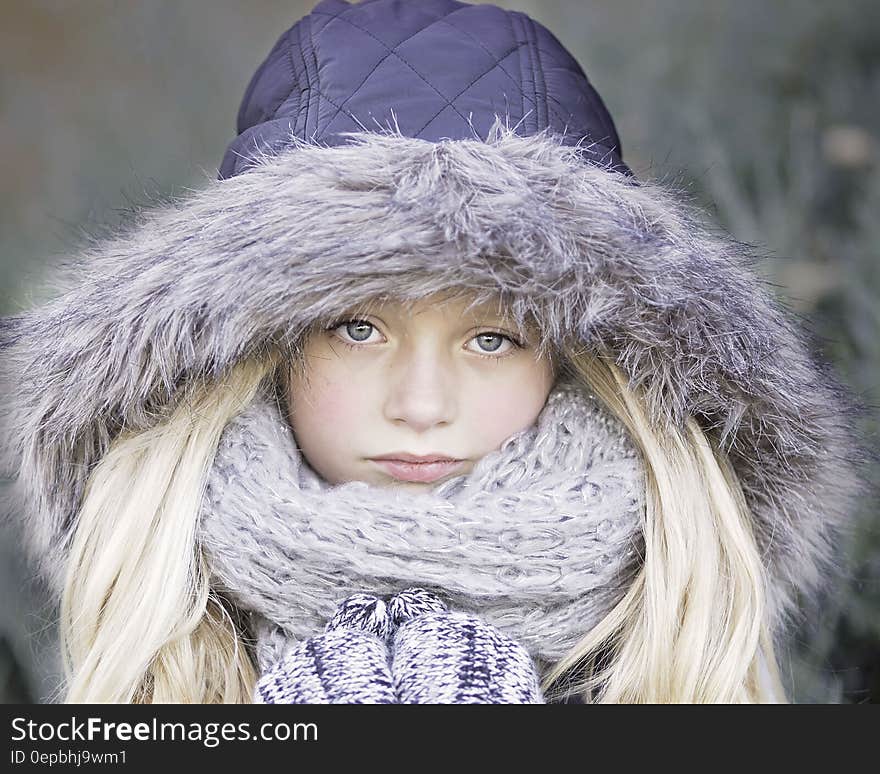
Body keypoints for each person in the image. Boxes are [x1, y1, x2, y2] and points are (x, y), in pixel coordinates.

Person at [0, 0, 870, 704]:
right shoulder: (150, 653)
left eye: (493, 338)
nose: (421, 405)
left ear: (580, 366)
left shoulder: (689, 656)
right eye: (357, 327)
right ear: (255, 353)